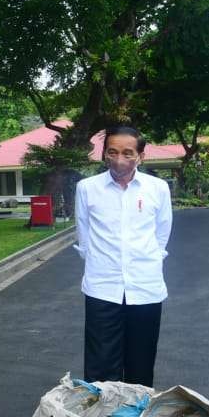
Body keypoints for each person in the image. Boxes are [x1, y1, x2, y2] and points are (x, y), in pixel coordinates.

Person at [73, 125, 172, 387]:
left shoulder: (158, 188)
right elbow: (84, 236)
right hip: (102, 288)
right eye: (112, 152)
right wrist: (103, 265)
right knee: (100, 366)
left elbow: (162, 235)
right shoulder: (87, 188)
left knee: (141, 365)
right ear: (104, 154)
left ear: (141, 156)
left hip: (145, 287)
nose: (119, 160)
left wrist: (144, 263)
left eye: (128, 153)